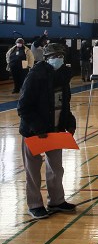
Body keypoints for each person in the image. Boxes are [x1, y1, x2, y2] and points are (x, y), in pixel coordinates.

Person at [17, 43, 77, 219]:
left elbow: (64, 103)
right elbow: (23, 107)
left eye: (60, 55)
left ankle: (57, 201)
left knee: (56, 168)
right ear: (46, 58)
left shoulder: (63, 75)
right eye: (54, 56)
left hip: (55, 130)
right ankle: (35, 204)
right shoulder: (35, 75)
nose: (58, 58)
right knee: (33, 170)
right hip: (34, 132)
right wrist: (37, 128)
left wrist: (69, 122)